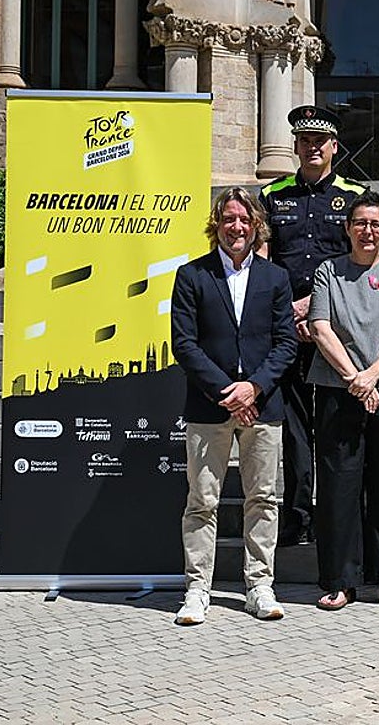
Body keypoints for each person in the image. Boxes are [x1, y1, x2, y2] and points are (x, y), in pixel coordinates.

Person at [169, 187, 298, 625]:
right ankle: (197, 589)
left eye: (244, 220)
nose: (237, 228)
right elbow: (184, 345)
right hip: (209, 407)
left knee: (262, 498)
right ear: (216, 225)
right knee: (202, 500)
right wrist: (228, 391)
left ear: (256, 224)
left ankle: (259, 586)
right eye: (228, 220)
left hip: (263, 406)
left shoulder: (275, 278)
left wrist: (253, 389)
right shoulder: (192, 276)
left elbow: (285, 345)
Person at [307, 192, 379, 611]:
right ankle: (340, 579)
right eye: (360, 223)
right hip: (340, 392)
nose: (367, 231)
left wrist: (372, 376)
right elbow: (320, 326)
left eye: (375, 224)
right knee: (339, 486)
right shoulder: (328, 273)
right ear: (347, 227)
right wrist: (355, 378)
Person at [260, 105, 366, 548]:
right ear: (296, 147)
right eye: (304, 141)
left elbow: (358, 264)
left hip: (337, 332)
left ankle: (340, 515)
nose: (312, 148)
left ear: (334, 147)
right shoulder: (272, 196)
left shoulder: (356, 195)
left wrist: (314, 309)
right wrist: (289, 314)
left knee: (339, 427)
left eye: (320, 141)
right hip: (288, 332)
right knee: (296, 431)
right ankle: (298, 513)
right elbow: (264, 264)